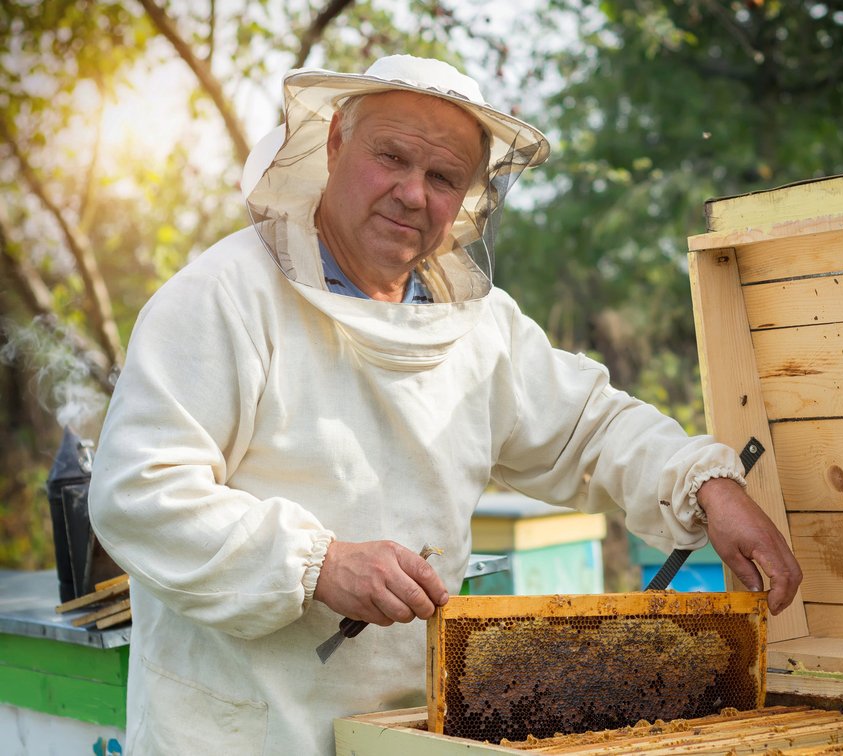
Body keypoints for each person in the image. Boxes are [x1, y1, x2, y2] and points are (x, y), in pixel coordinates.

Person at [89, 55, 801, 754]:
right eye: (391, 157)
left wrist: (705, 482)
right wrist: (318, 563)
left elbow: (590, 428)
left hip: (412, 735)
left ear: (468, 197)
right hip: (243, 733)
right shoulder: (221, 298)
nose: (412, 193)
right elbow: (137, 492)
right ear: (335, 143)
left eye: (443, 178)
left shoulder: (478, 327)